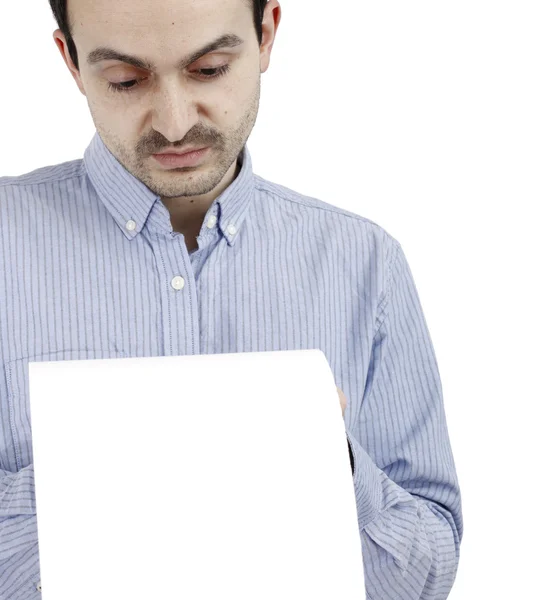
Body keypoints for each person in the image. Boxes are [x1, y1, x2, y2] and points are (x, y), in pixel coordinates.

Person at [0, 0, 463, 598]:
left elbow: (427, 573)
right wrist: (126, 460)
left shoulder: (364, 263)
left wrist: (329, 464)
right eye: (125, 80)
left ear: (266, 34)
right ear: (70, 61)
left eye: (209, 68)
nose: (171, 122)